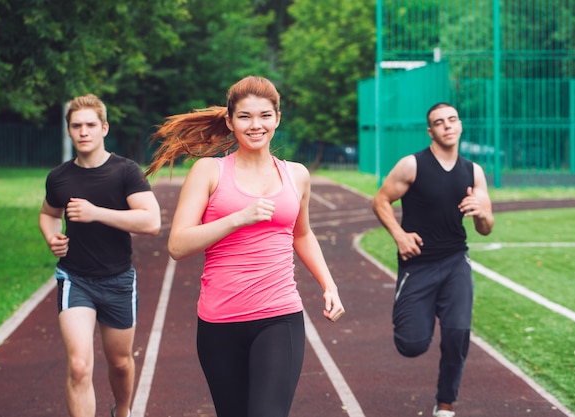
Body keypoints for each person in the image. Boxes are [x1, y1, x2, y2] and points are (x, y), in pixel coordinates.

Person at [145, 75, 345, 417]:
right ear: (230, 121)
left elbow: (302, 235)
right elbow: (178, 245)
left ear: (277, 118)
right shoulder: (209, 171)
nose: (256, 125)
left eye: (265, 115)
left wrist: (329, 284)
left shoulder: (296, 175)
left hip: (279, 316)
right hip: (219, 320)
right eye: (245, 116)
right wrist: (237, 218)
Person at [39, 94, 161, 417]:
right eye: (76, 126)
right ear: (68, 130)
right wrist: (52, 236)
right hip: (75, 278)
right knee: (79, 365)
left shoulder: (125, 172)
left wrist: (96, 213)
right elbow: (48, 213)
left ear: (104, 128)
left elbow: (151, 221)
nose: (83, 132)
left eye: (91, 125)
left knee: (120, 363)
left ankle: (122, 410)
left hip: (118, 280)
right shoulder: (59, 177)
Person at [371, 102, 494, 417]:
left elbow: (485, 228)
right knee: (411, 345)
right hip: (418, 264)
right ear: (431, 131)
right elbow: (381, 200)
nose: (447, 126)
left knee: (458, 334)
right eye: (440, 122)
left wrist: (481, 213)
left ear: (460, 125)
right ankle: (408, 315)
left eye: (452, 120)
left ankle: (445, 403)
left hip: (456, 261)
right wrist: (399, 235)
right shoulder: (412, 165)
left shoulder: (473, 171)